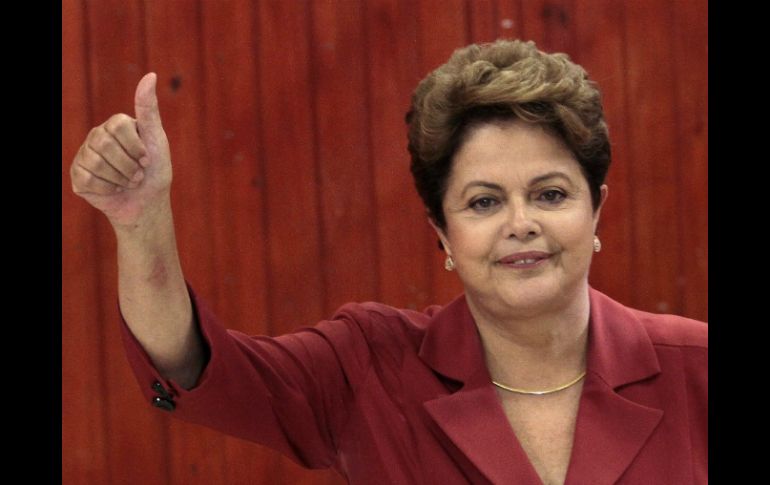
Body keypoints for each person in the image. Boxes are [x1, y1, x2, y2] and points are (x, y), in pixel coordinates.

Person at [70, 39, 707, 485]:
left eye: (550, 194)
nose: (521, 223)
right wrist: (141, 221)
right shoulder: (369, 367)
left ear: (596, 210)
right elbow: (198, 368)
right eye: (484, 202)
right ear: (443, 233)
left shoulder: (697, 370)